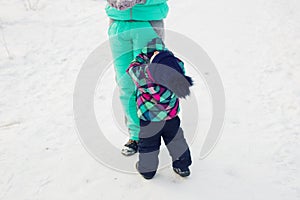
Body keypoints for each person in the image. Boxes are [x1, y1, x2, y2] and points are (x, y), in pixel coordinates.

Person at [106, 0, 169, 156]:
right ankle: (135, 135)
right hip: (118, 23)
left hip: (148, 23)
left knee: (149, 84)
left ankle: (152, 134)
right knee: (125, 84)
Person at [127, 37, 193, 179]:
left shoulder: (144, 76)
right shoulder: (176, 73)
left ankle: (147, 170)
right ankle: (182, 166)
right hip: (171, 118)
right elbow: (179, 64)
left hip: (149, 120)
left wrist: (144, 55)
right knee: (177, 142)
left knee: (148, 145)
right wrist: (165, 55)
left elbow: (131, 69)